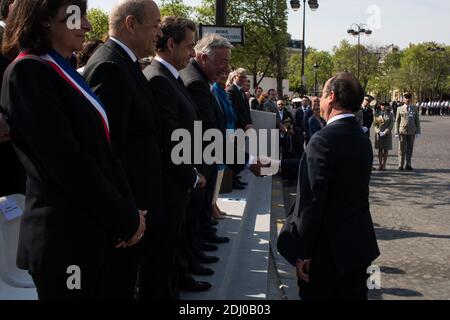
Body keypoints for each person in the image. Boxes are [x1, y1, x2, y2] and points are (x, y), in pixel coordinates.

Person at [0, 0, 145, 299]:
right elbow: (69, 164)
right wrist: (123, 217)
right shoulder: (28, 71)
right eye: (75, 17)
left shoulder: (60, 70)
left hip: (88, 233)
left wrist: (128, 210)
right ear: (43, 20)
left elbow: (102, 152)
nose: (88, 26)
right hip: (64, 242)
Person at [83, 0, 163, 299]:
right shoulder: (109, 66)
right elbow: (106, 150)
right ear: (131, 24)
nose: (159, 31)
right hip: (128, 215)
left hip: (137, 209)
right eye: (154, 25)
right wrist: (123, 215)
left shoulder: (124, 62)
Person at [292, 72, 380, 300]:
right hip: (359, 247)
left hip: (328, 254)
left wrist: (303, 252)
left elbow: (312, 202)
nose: (318, 102)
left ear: (331, 97)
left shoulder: (322, 139)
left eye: (321, 95)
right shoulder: (361, 138)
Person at [143, 16, 209, 298]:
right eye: (190, 46)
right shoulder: (159, 77)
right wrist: (191, 175)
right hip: (168, 188)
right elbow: (171, 139)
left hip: (176, 186)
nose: (193, 53)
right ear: (171, 44)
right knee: (159, 264)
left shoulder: (170, 75)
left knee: (169, 255)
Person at [395, 93, 421, 171]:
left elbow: (417, 120)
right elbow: (397, 121)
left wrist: (418, 131)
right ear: (403, 99)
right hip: (402, 131)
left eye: (409, 98)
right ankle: (400, 164)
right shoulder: (399, 108)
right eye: (406, 98)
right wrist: (396, 132)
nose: (407, 99)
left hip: (411, 131)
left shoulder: (414, 108)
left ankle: (408, 164)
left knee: (410, 148)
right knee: (401, 149)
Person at [373, 102, 394, 171]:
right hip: (379, 134)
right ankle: (380, 164)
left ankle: (384, 164)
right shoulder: (377, 114)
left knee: (386, 149)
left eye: (385, 106)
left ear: (387, 106)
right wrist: (379, 132)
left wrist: (385, 132)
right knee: (380, 149)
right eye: (382, 105)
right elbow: (376, 125)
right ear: (380, 106)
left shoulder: (390, 114)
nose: (383, 107)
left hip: (387, 134)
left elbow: (391, 125)